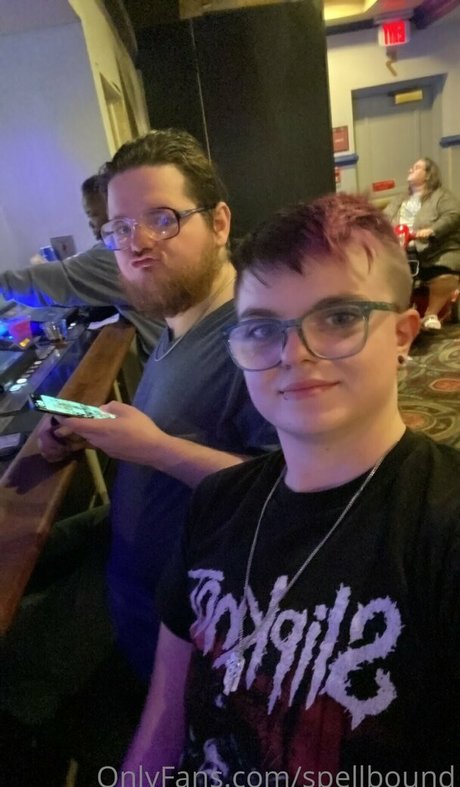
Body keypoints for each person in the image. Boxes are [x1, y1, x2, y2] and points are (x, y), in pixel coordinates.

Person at [122, 193, 459, 782]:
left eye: (339, 318)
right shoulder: (216, 503)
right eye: (261, 328)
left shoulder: (442, 527)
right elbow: (165, 719)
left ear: (403, 335)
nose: (294, 354)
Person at [1, 129, 276, 779]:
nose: (138, 243)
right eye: (121, 228)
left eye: (162, 219)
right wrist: (86, 425)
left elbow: (298, 501)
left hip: (173, 636)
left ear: (219, 223)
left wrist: (154, 447)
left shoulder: (257, 341)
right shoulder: (181, 324)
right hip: (128, 583)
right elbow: (173, 434)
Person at [0, 174, 162, 360]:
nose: (90, 223)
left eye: (92, 214)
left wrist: (3, 283)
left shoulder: (114, 255)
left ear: (112, 209)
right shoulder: (124, 246)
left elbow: (45, 282)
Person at [384, 157, 460, 332]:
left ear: (428, 175)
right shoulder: (400, 199)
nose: (411, 169)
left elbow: (453, 215)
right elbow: (384, 217)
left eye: (416, 167)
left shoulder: (442, 196)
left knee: (444, 274)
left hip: (433, 250)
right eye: (411, 167)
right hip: (401, 250)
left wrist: (432, 230)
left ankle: (431, 314)